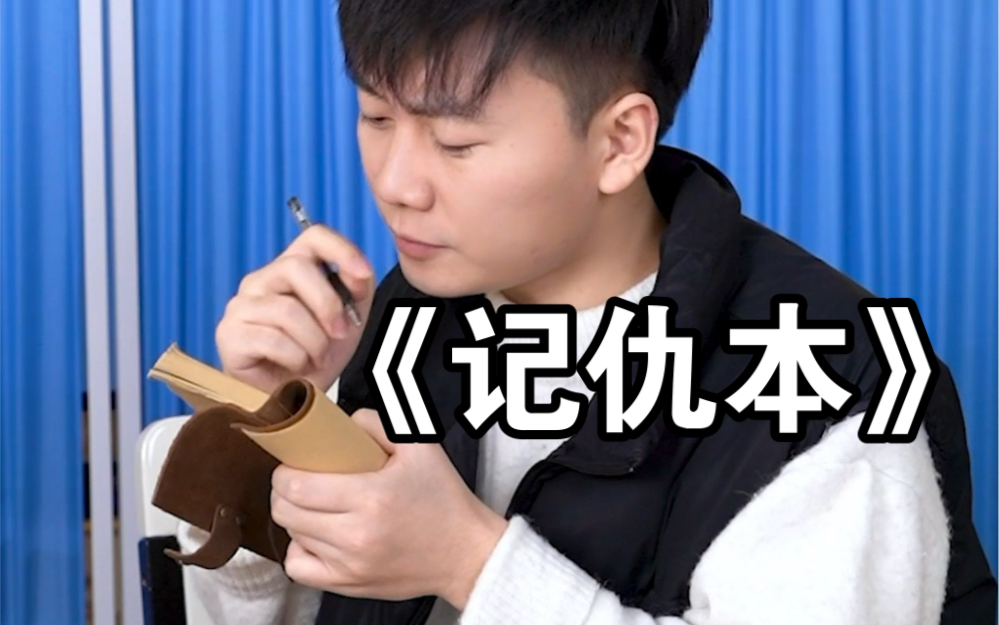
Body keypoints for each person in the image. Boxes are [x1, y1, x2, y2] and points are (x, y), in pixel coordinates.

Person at [178, 0, 997, 623]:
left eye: (456, 143)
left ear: (618, 142)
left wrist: (468, 560)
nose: (395, 183)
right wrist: (263, 432)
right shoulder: (404, 315)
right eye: (375, 116)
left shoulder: (833, 383)